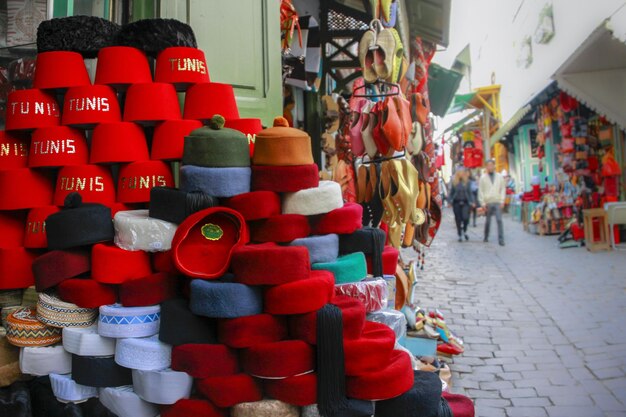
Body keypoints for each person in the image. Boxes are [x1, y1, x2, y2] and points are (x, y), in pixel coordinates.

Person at [478, 159, 506, 246]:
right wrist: (482, 203)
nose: (490, 167)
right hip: (488, 201)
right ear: (486, 167)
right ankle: (486, 236)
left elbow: (503, 189)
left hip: (497, 200)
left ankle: (501, 239)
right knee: (488, 221)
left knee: (499, 220)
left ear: (494, 166)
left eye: (491, 165)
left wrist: (502, 200)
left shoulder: (499, 177)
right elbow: (481, 191)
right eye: (488, 165)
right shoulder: (483, 178)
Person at [448, 168, 475, 242]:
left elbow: (470, 193)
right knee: (458, 219)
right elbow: (451, 193)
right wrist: (449, 201)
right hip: (456, 202)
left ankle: (465, 230)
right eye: (459, 172)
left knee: (466, 217)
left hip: (465, 202)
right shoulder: (454, 182)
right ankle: (459, 234)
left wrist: (472, 201)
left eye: (462, 172)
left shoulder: (467, 182)